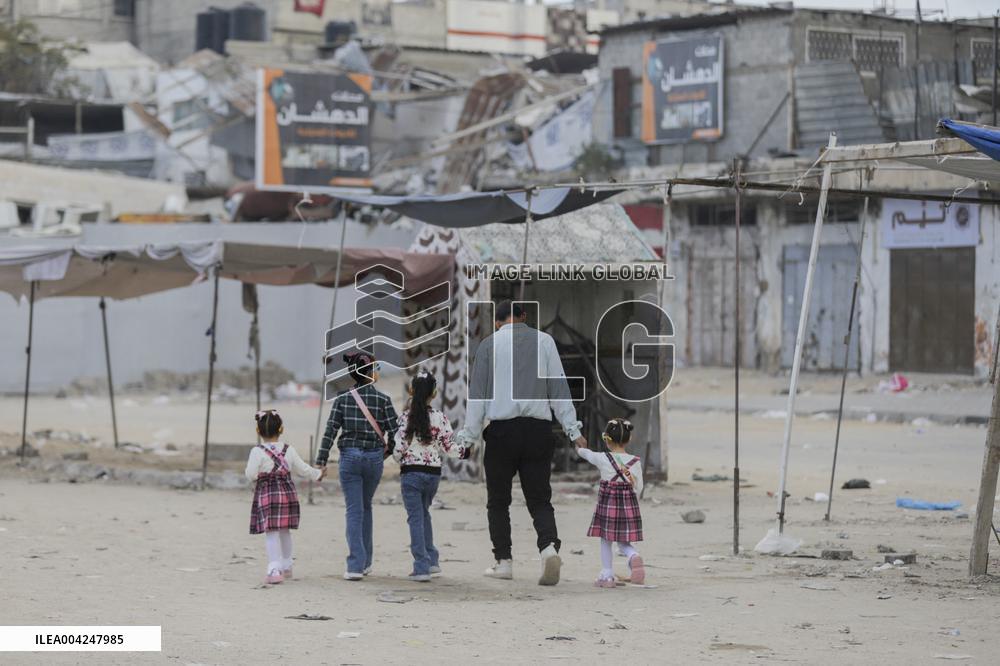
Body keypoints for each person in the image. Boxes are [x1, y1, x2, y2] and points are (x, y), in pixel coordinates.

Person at [456, 300, 586, 586]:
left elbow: (477, 397)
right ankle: (548, 548)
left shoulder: (488, 345)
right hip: (538, 431)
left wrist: (468, 438)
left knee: (498, 501)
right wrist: (573, 431)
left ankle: (503, 562)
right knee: (540, 499)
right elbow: (559, 389)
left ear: (497, 322)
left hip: (502, 433)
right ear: (524, 316)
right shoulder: (545, 342)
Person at [316, 351, 398, 581]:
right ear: (369, 372)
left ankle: (355, 565)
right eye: (376, 369)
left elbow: (330, 431)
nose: (377, 373)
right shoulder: (383, 400)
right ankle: (366, 562)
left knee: (354, 510)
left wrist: (321, 461)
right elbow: (397, 433)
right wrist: (385, 453)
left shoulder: (342, 399)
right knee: (366, 507)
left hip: (350, 458)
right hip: (374, 459)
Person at [393, 371, 470, 582]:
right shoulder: (440, 417)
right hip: (433, 475)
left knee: (415, 519)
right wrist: (465, 452)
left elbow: (398, 449)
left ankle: (421, 567)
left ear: (411, 391)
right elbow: (449, 447)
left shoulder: (405, 418)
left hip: (411, 474)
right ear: (434, 393)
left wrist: (399, 458)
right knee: (424, 514)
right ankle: (432, 560)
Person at [245, 409, 322, 585]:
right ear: (281, 429)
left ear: (258, 431)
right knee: (285, 530)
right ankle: (287, 565)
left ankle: (274, 568)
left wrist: (260, 477)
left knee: (271, 531)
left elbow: (250, 474)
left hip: (268, 494)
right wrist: (318, 474)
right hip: (287, 493)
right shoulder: (289, 449)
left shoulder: (256, 451)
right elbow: (303, 469)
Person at [577, 418, 645, 588]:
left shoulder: (602, 458)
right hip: (628, 506)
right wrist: (633, 502)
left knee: (606, 539)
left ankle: (607, 575)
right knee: (623, 542)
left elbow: (587, 454)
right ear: (629, 439)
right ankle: (633, 555)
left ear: (606, 440)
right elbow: (639, 487)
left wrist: (579, 447)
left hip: (608, 506)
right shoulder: (635, 461)